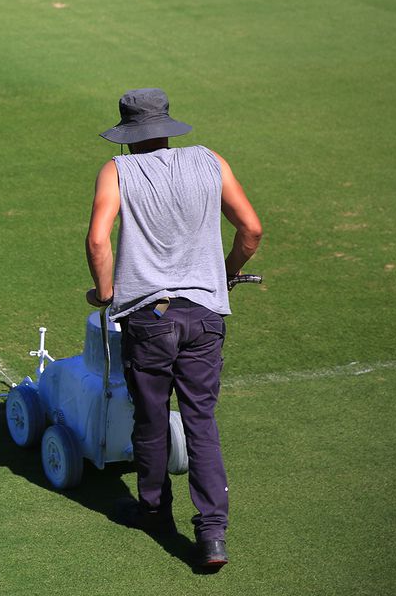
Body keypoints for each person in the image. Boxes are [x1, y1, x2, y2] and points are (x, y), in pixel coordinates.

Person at [84, 88, 262, 570]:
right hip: (204, 316)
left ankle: (154, 510)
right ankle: (212, 535)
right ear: (166, 127)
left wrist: (104, 292)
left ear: (127, 135)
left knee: (151, 416)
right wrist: (223, 274)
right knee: (201, 421)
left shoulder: (117, 170)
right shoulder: (209, 160)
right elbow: (251, 230)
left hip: (148, 318)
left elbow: (99, 239)